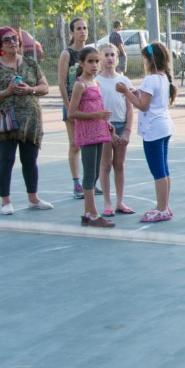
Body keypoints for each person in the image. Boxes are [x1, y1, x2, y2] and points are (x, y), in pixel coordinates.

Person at [0, 27, 53, 215]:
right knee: (5, 160)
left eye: (15, 38)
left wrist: (30, 89)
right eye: (7, 40)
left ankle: (33, 198)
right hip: (5, 121)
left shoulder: (30, 63)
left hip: (30, 120)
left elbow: (45, 87)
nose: (13, 42)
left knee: (30, 160)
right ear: (0, 45)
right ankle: (6, 201)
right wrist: (6, 92)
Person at [115, 42, 177, 223]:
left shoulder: (150, 79)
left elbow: (143, 105)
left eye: (144, 59)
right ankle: (164, 205)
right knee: (164, 169)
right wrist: (135, 91)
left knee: (158, 170)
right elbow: (147, 98)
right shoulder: (163, 77)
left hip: (153, 130)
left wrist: (126, 91)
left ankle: (161, 208)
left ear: (150, 60)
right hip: (164, 127)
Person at [68, 47, 118, 228]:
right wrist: (97, 115)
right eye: (90, 61)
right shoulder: (80, 85)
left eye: (97, 61)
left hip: (99, 131)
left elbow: (99, 108)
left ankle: (87, 213)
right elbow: (72, 112)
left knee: (95, 173)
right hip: (87, 134)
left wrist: (106, 122)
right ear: (81, 63)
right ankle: (94, 214)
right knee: (89, 175)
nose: (95, 65)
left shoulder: (95, 83)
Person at [96, 42, 135, 217]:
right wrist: (107, 130)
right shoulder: (97, 82)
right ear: (100, 58)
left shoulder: (124, 80)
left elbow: (130, 107)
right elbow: (96, 109)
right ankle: (107, 202)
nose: (110, 58)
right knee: (105, 165)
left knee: (119, 165)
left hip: (120, 125)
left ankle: (120, 201)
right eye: (106, 55)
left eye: (113, 55)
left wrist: (127, 130)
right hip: (105, 126)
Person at [58, 17, 90, 199]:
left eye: (85, 28)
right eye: (78, 28)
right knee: (75, 144)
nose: (82, 31)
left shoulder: (90, 52)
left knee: (90, 143)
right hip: (72, 104)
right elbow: (62, 83)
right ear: (71, 32)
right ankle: (76, 183)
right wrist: (68, 106)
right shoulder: (67, 54)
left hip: (89, 105)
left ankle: (90, 182)